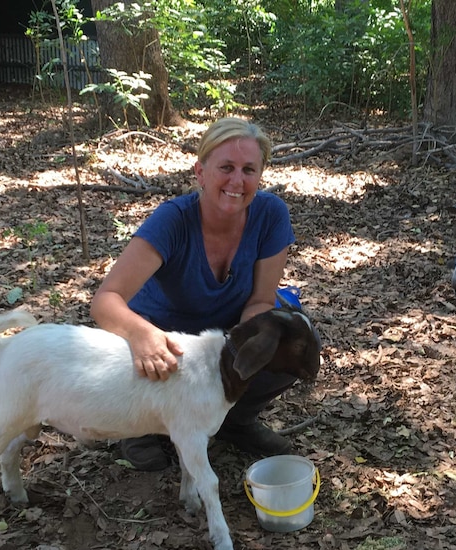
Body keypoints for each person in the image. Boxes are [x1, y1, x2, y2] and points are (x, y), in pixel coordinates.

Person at [91, 117, 300, 471]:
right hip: (162, 342)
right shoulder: (173, 220)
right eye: (226, 167)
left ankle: (234, 421)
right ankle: (139, 429)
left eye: (249, 169)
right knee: (147, 363)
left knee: (290, 337)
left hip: (219, 339)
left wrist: (250, 341)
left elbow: (262, 301)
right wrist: (141, 334)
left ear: (260, 175)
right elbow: (105, 301)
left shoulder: (271, 215)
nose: (237, 180)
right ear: (200, 172)